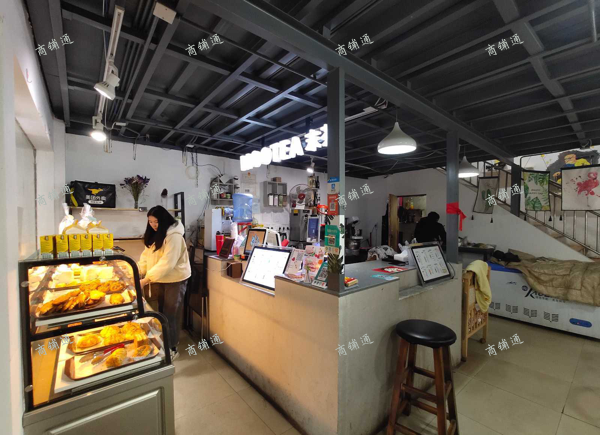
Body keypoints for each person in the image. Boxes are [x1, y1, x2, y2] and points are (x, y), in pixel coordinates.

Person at [138, 206, 190, 361]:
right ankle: (165, 342)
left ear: (164, 220)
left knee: (170, 314)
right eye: (150, 221)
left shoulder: (174, 236)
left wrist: (146, 279)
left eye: (156, 221)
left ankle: (172, 347)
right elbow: (146, 257)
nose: (153, 225)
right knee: (162, 313)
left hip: (175, 279)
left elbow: (168, 263)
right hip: (161, 278)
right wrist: (137, 271)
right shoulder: (156, 234)